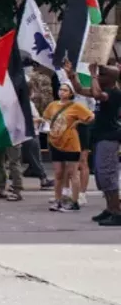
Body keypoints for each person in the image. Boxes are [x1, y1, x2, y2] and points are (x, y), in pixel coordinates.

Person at [63, 61, 121, 226]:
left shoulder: (113, 93)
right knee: (102, 177)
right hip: (101, 137)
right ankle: (110, 209)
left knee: (108, 175)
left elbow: (96, 95)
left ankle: (117, 212)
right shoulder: (105, 90)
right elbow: (81, 90)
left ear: (110, 79)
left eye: (102, 75)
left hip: (109, 138)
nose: (98, 77)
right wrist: (72, 77)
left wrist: (94, 74)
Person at [44, 81, 94, 212]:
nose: (62, 92)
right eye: (61, 89)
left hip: (71, 143)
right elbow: (47, 118)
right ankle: (58, 199)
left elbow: (91, 117)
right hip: (56, 142)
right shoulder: (52, 105)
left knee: (73, 172)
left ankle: (75, 200)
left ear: (71, 93)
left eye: (65, 90)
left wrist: (78, 121)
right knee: (58, 173)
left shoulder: (76, 106)